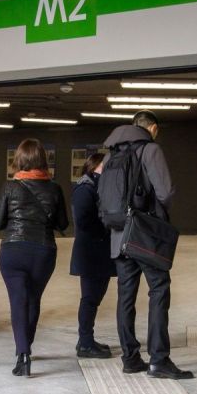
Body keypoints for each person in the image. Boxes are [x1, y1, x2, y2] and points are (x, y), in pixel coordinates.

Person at [104, 111, 193, 379]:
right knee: (159, 289)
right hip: (144, 235)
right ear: (152, 128)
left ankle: (130, 358)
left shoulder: (111, 154)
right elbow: (165, 191)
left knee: (125, 297)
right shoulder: (150, 150)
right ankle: (159, 360)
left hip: (118, 235)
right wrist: (158, 217)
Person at [0, 138, 69, 377]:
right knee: (33, 300)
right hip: (43, 251)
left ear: (19, 160)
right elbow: (63, 224)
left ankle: (22, 354)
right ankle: (27, 348)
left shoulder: (9, 187)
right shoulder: (54, 188)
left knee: (18, 301)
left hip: (13, 251)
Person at [70, 152, 116, 359]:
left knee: (95, 298)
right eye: (104, 166)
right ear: (94, 167)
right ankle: (85, 343)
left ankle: (86, 340)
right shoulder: (85, 188)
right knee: (89, 298)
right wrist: (107, 226)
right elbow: (83, 220)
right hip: (90, 253)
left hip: (100, 252)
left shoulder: (98, 188)